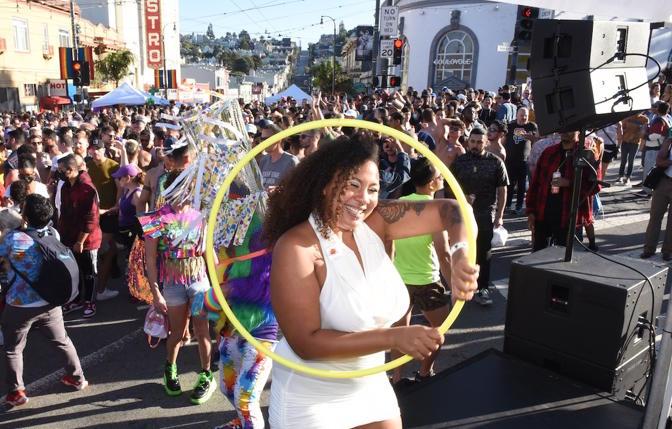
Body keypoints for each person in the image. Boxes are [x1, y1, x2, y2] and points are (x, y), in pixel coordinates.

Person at [265, 134, 479, 428]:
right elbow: (306, 343)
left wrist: (460, 256)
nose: (363, 199)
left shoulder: (376, 222)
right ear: (325, 184)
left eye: (373, 189)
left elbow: (452, 210)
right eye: (353, 185)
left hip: (370, 385)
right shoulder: (297, 247)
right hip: (310, 397)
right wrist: (393, 338)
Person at [1, 194, 88, 407]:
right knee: (62, 340)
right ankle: (77, 377)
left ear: (25, 217)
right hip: (50, 301)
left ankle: (16, 392)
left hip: (20, 304)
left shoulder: (13, 239)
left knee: (13, 348)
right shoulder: (52, 233)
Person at [139, 170, 216, 405]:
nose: (182, 196)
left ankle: (206, 374)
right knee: (177, 333)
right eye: (177, 190)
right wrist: (155, 293)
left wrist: (219, 283)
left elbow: (208, 252)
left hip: (198, 279)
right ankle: (170, 370)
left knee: (202, 331)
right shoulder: (154, 219)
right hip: (172, 283)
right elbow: (150, 259)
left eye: (186, 190)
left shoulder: (201, 216)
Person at [390, 157, 452, 385]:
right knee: (439, 331)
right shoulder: (434, 210)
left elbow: (389, 242)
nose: (443, 177)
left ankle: (397, 377)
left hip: (399, 280)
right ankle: (425, 373)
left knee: (399, 333)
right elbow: (444, 254)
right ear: (432, 183)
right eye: (439, 175)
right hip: (427, 280)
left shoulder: (399, 204)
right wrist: (455, 286)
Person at [451, 128, 508, 305]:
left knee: (483, 253)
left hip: (485, 215)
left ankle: (483, 288)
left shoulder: (496, 162)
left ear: (486, 142)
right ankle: (461, 287)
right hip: (462, 215)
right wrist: (462, 198)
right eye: (473, 141)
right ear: (468, 141)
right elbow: (449, 187)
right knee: (462, 251)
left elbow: (502, 190)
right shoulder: (459, 162)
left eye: (479, 142)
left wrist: (499, 215)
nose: (475, 145)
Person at [526, 131, 601, 251]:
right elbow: (535, 184)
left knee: (561, 255)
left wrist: (569, 183)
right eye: (564, 129)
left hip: (567, 217)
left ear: (578, 131)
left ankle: (592, 244)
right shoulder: (549, 152)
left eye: (570, 129)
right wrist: (530, 211)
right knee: (538, 252)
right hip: (543, 214)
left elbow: (595, 186)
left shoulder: (587, 154)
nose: (565, 132)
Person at [57, 155, 102, 318]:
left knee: (89, 272)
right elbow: (64, 212)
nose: (59, 173)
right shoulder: (66, 186)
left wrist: (80, 241)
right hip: (69, 237)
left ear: (71, 170)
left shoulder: (87, 188)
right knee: (74, 271)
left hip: (86, 240)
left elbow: (91, 219)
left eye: (61, 170)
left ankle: (90, 301)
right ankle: (76, 300)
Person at [641, 133, 672, 260]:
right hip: (664, 182)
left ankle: (668, 251)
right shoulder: (669, 141)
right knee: (655, 216)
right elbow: (659, 161)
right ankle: (649, 248)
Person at [505, 107, 538, 215]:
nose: (524, 117)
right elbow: (504, 140)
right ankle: (507, 204)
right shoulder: (510, 126)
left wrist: (530, 137)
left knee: (522, 185)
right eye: (522, 115)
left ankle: (519, 206)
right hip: (510, 159)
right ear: (517, 115)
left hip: (524, 160)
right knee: (509, 183)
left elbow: (537, 140)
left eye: (526, 115)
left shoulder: (532, 126)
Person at [616, 112, 648, 185]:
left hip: (635, 143)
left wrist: (638, 138)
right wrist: (622, 137)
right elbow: (621, 128)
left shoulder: (644, 119)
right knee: (623, 160)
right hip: (625, 141)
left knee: (631, 160)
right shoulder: (627, 117)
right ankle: (620, 176)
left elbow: (645, 131)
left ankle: (628, 177)